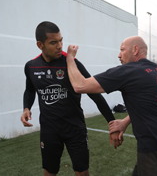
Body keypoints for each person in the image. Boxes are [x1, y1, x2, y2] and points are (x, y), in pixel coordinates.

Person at [66, 36, 157, 176]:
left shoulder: (128, 71)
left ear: (135, 50)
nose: (119, 55)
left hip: (156, 147)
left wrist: (69, 59)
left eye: (122, 50)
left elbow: (80, 86)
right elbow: (153, 103)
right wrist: (126, 121)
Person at [20, 21, 121, 176]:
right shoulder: (31, 67)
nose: (60, 46)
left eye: (61, 40)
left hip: (75, 129)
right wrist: (26, 107)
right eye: (53, 42)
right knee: (49, 171)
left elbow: (95, 94)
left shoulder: (72, 63)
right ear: (40, 45)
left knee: (82, 172)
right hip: (49, 130)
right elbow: (30, 89)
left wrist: (112, 123)